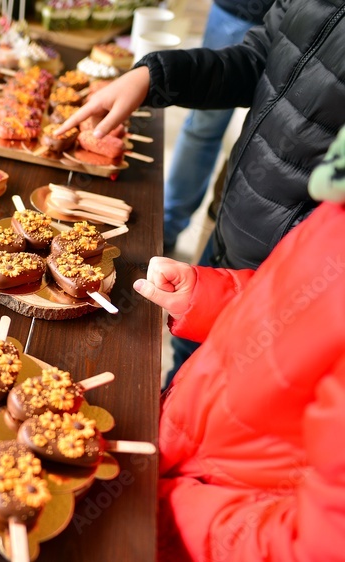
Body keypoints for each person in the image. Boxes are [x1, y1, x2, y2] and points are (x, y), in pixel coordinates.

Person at [58, 0, 345, 387]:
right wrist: (153, 76)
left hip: (293, 287)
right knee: (185, 363)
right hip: (234, 224)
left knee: (222, 385)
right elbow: (262, 59)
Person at [132, 127, 345, 562]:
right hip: (170, 464)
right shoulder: (335, 211)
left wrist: (174, 509)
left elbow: (317, 542)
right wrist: (207, 298)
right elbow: (291, 302)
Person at [162, 0, 274, 254]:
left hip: (302, 27)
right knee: (204, 125)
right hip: (239, 11)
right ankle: (167, 227)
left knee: (266, 147)